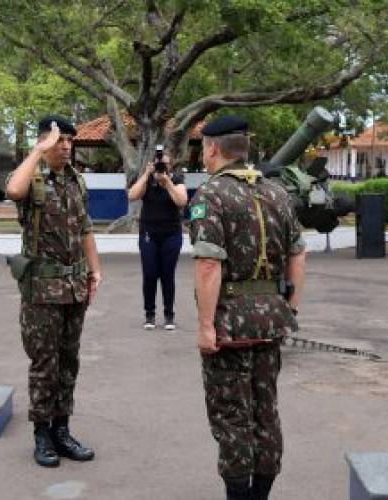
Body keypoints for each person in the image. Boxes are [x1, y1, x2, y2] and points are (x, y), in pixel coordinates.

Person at [188, 115, 306, 500]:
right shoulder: (277, 193)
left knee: (231, 415)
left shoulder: (211, 194)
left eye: (203, 148)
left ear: (213, 148)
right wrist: (290, 308)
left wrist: (206, 326)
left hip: (230, 324)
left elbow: (208, 264)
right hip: (272, 319)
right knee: (265, 409)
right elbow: (297, 257)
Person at [5, 115, 103, 468]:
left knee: (68, 362)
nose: (65, 146)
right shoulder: (30, 178)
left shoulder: (76, 180)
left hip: (74, 286)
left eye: (68, 141)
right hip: (42, 289)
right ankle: (42, 434)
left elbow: (86, 228)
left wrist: (95, 269)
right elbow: (13, 191)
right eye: (58, 141)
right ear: (44, 142)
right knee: (44, 364)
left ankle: (62, 430)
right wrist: (37, 151)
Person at [127, 149, 188, 330]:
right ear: (152, 164)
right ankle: (150, 315)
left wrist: (166, 182)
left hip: (171, 235)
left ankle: (169, 315)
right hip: (149, 235)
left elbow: (182, 201)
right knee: (150, 275)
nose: (163, 166)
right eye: (160, 164)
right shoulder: (147, 180)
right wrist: (146, 174)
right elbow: (132, 195)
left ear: (171, 166)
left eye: (166, 164)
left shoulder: (176, 180)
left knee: (168, 275)